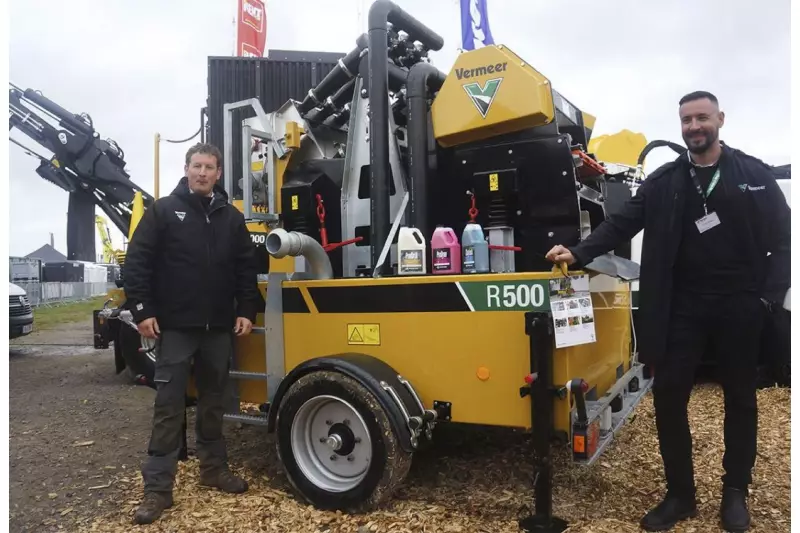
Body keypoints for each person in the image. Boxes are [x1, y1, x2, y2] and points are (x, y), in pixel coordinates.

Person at [546, 91, 790, 532]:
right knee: (670, 399)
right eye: (686, 120)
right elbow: (621, 223)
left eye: (702, 118)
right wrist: (579, 252)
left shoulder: (752, 174)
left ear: (720, 119)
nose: (694, 127)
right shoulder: (665, 181)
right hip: (681, 309)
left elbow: (783, 235)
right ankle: (680, 494)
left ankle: (735, 492)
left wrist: (769, 297)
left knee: (740, 399)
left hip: (741, 305)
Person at [123, 142, 260, 525]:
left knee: (215, 399)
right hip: (177, 327)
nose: (202, 173)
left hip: (218, 328)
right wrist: (143, 310)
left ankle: (213, 469)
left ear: (218, 174)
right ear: (186, 169)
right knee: (168, 405)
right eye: (196, 166)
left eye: (209, 167)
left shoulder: (231, 218)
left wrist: (247, 310)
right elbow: (137, 263)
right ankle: (157, 489)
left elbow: (246, 270)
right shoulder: (164, 211)